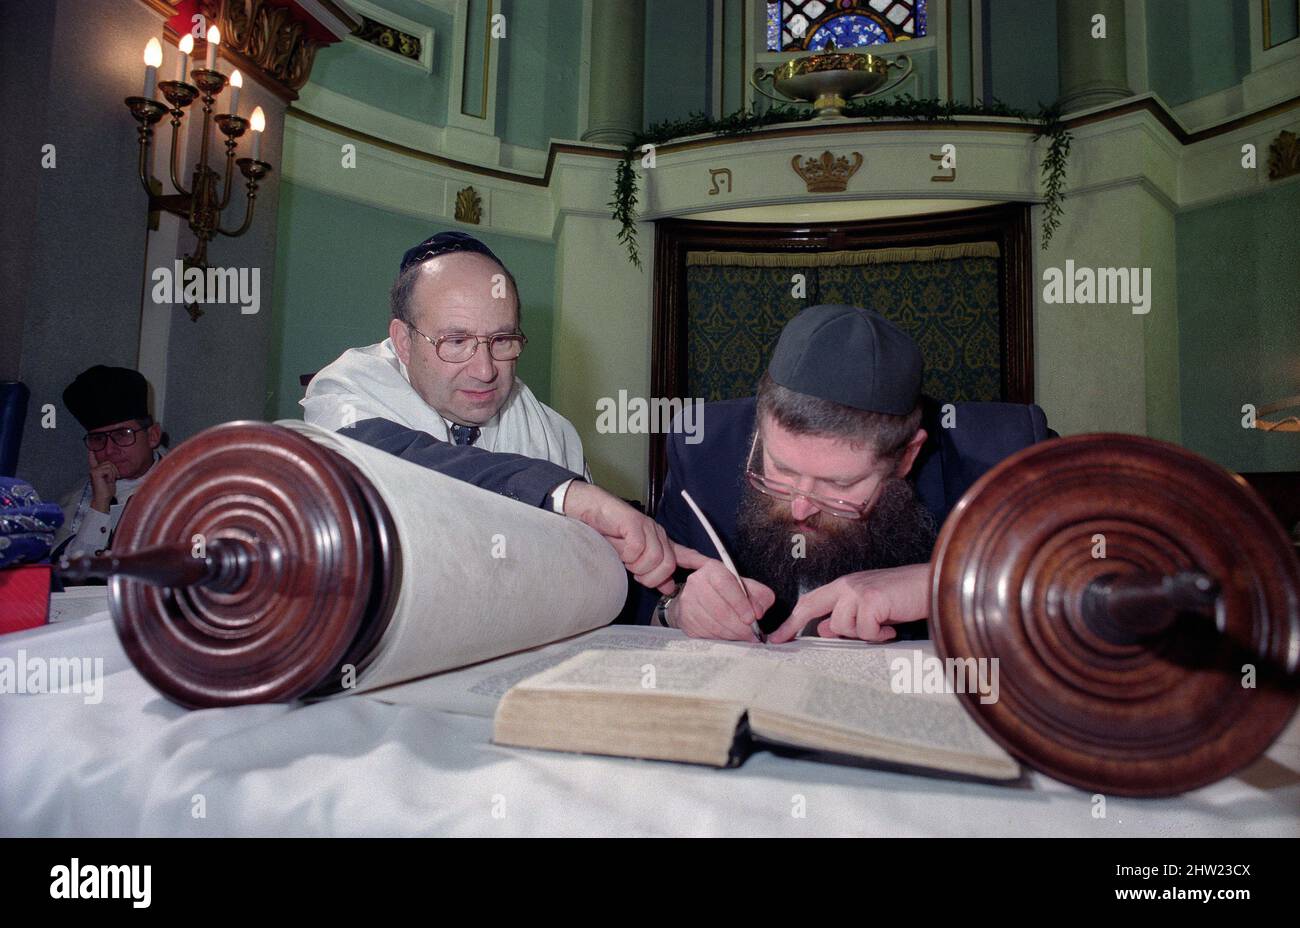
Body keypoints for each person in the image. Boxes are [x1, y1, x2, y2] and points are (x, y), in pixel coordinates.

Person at [648, 304, 1056, 643]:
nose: (802, 507)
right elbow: (637, 596)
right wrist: (676, 608)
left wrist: (945, 584)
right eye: (781, 470)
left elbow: (1103, 569)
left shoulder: (1001, 452)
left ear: (907, 456)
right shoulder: (702, 446)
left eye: (840, 484)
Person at [303, 231, 587, 474]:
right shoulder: (345, 394)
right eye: (456, 341)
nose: (485, 372)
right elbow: (414, 479)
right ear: (404, 342)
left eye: (501, 340)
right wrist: (557, 492)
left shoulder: (555, 435)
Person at [52, 366, 165, 558]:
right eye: (98, 439)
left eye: (122, 434)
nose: (109, 450)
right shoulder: (78, 500)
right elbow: (70, 576)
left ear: (153, 436)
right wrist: (100, 505)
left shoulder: (190, 482)